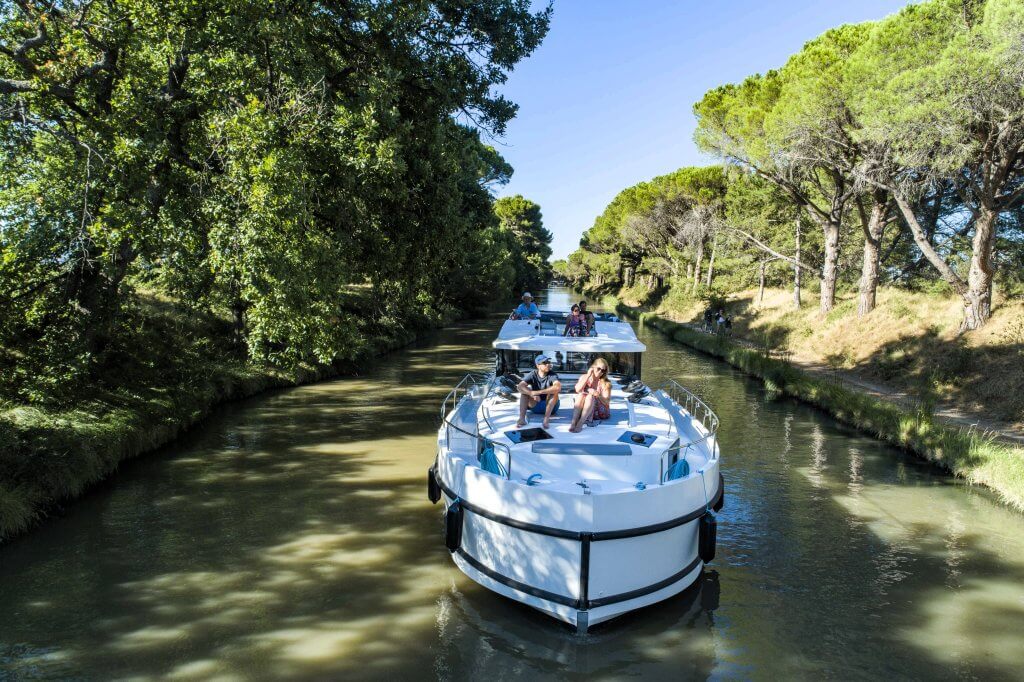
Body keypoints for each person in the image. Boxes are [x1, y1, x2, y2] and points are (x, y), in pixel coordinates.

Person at [517, 354, 561, 429]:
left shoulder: (552, 375)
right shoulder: (533, 374)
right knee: (524, 393)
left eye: (548, 362)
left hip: (551, 408)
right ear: (538, 366)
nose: (548, 364)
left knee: (554, 392)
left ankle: (546, 419)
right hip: (535, 405)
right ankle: (521, 419)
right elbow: (520, 386)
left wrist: (538, 392)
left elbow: (558, 387)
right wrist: (531, 393)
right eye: (545, 363)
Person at [570, 358, 612, 432]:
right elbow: (578, 390)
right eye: (598, 369)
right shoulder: (584, 377)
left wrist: (597, 395)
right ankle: (573, 422)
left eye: (603, 370)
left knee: (590, 396)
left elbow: (606, 402)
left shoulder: (605, 383)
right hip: (583, 410)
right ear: (593, 367)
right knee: (581, 395)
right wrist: (588, 375)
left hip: (599, 412)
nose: (600, 372)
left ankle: (580, 423)